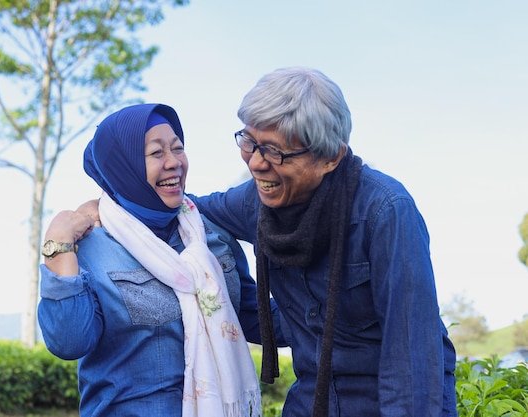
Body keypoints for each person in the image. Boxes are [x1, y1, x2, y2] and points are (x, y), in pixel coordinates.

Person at [189, 67, 458, 416]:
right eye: (249, 141)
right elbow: (185, 210)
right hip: (310, 399)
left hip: (386, 401)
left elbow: (411, 360)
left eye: (275, 151)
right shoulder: (255, 202)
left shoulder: (385, 212)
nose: (256, 163)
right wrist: (100, 208)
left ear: (330, 157)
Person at [37, 103, 286, 417]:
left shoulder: (209, 235)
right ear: (122, 166)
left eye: (178, 148)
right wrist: (58, 245)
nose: (174, 163)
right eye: (156, 153)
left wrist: (340, 312)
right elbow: (69, 342)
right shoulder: (90, 246)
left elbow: (252, 317)